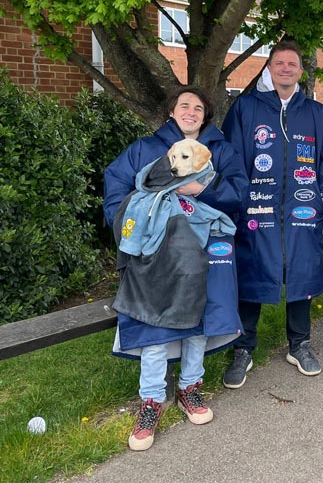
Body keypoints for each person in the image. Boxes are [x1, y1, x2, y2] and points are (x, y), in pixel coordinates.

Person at [103, 86, 248, 451]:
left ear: (205, 116)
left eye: (198, 107)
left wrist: (202, 190)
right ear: (171, 111)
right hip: (155, 258)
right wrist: (129, 226)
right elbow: (117, 187)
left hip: (204, 255)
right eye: (184, 105)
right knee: (154, 323)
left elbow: (239, 193)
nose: (191, 111)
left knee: (198, 322)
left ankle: (190, 389)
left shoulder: (221, 151)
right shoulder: (144, 149)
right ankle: (151, 400)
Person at [221, 41, 323, 385]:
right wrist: (240, 202)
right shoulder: (246, 108)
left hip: (302, 211)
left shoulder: (314, 112)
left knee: (301, 274)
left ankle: (299, 343)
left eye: (292, 64)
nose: (286, 68)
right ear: (269, 68)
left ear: (301, 71)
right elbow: (231, 159)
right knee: (252, 274)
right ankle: (243, 348)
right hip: (258, 211)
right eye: (279, 63)